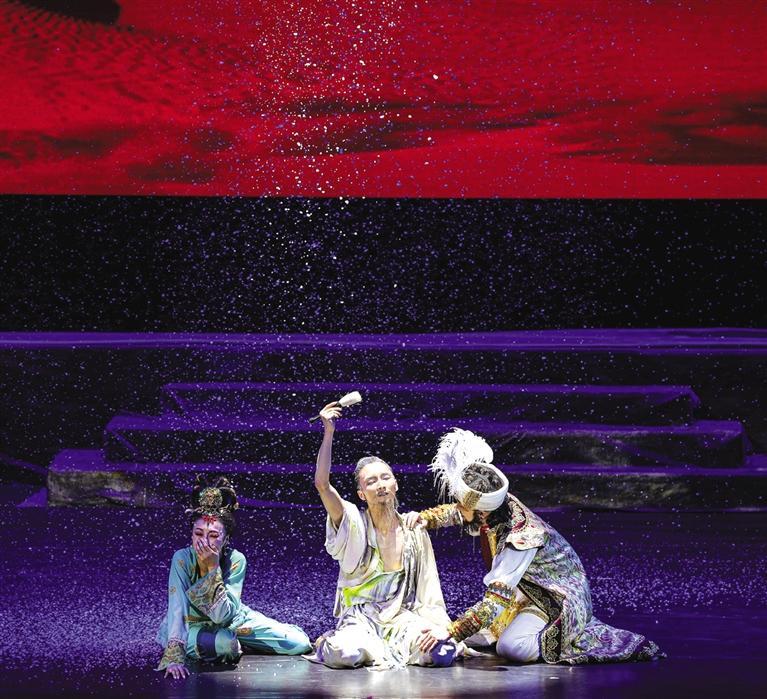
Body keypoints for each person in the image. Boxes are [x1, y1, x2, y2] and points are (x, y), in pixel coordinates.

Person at [414, 429, 664, 665]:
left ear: (482, 512)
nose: (458, 509)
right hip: (530, 589)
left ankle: (559, 634)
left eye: (463, 506)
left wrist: (452, 632)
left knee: (511, 647)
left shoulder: (520, 540)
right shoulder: (499, 505)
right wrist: (426, 518)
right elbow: (462, 512)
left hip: (557, 600)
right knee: (481, 634)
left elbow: (495, 600)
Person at [309, 402, 457, 669]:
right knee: (346, 654)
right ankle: (326, 642)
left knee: (442, 652)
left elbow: (429, 589)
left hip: (402, 618)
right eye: (371, 481)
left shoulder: (413, 530)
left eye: (385, 478)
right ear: (361, 494)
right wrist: (328, 432)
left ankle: (392, 647)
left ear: (395, 484)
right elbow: (322, 484)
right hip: (361, 618)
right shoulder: (353, 523)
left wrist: (438, 627)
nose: (380, 485)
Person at [156, 475, 312, 678]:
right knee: (225, 644)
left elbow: (222, 615)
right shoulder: (182, 559)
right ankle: (223, 643)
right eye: (198, 534)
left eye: (213, 536)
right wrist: (175, 658)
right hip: (190, 625)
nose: (204, 542)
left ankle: (232, 641)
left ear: (226, 538)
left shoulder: (236, 559)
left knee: (299, 643)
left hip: (232, 620)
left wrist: (212, 567)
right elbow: (177, 609)